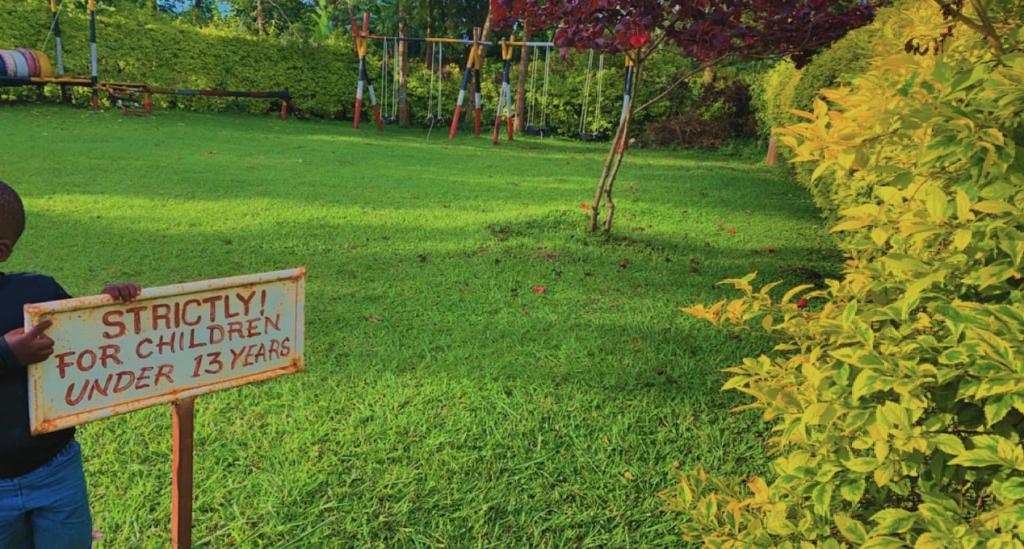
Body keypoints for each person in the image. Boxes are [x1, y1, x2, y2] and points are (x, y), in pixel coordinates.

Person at [0, 181, 141, 548]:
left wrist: (110, 301)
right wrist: (6, 354)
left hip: (55, 469)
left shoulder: (37, 293)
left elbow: (88, 335)